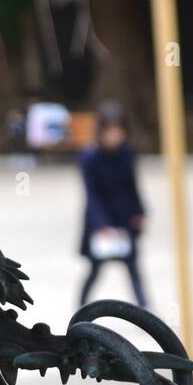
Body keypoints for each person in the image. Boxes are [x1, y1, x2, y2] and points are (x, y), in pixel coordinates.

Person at [77, 103, 148, 308]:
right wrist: (102, 224)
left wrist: (139, 212)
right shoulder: (89, 157)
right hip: (100, 220)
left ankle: (145, 308)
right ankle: (81, 306)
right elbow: (92, 195)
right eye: (110, 131)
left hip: (125, 216)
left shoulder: (127, 153)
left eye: (118, 131)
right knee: (95, 268)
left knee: (133, 267)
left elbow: (133, 186)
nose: (114, 136)